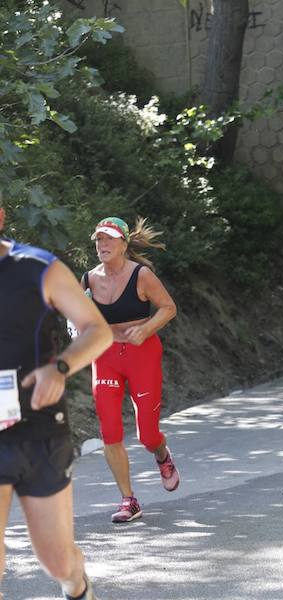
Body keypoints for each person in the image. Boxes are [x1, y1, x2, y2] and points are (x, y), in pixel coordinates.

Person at [1, 195, 113, 600]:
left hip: (39, 430)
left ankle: (77, 586)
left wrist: (60, 368)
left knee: (56, 560)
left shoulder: (37, 268)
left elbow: (96, 330)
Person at [82, 217, 179, 523]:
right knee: (110, 430)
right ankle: (129, 500)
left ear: (123, 243)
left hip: (142, 353)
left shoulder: (141, 275)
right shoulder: (88, 279)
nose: (103, 245)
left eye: (109, 239)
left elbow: (168, 307)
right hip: (106, 356)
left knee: (148, 434)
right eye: (99, 239)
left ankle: (161, 454)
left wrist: (147, 329)